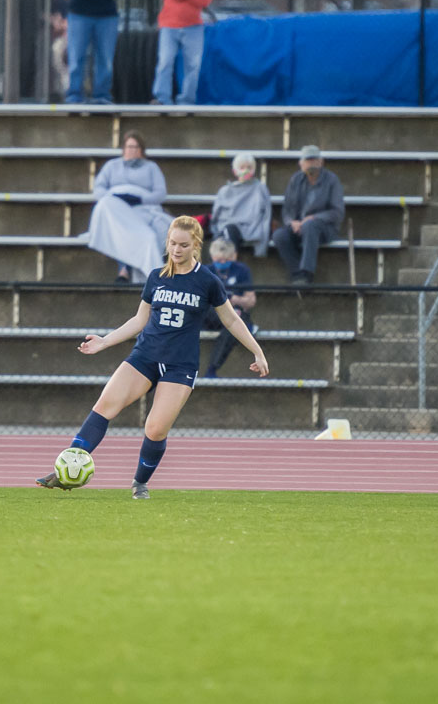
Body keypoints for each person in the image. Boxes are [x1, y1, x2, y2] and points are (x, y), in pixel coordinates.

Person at [37, 216, 269, 499]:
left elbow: (231, 321)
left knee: (156, 428)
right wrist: (105, 341)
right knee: (105, 405)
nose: (176, 249)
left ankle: (139, 483)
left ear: (196, 245)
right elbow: (139, 320)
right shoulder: (156, 277)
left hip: (180, 364)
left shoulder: (207, 281)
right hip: (145, 355)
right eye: (172, 243)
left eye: (183, 245)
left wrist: (256, 350)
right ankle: (65, 469)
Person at [86, 131, 173, 283]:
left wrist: (140, 199)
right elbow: (99, 189)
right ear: (123, 149)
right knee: (106, 208)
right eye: (129, 146)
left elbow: (160, 193)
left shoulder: (151, 167)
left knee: (147, 237)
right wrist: (116, 198)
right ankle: (124, 270)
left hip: (141, 210)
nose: (132, 150)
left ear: (141, 149)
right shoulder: (112, 166)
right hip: (117, 209)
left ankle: (141, 273)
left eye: (135, 147)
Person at [151, 0, 213, 106]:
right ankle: (162, 98)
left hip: (194, 27)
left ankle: (187, 100)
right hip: (169, 25)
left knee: (193, 66)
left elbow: (204, 1)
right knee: (165, 61)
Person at [271, 145, 345, 284]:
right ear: (301, 163)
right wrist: (291, 222)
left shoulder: (332, 180)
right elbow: (286, 210)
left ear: (321, 162)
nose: (311, 163)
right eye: (308, 160)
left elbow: (337, 212)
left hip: (324, 228)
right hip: (298, 226)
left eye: (314, 160)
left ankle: (307, 272)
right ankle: (297, 273)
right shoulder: (295, 180)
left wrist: (314, 217)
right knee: (279, 235)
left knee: (310, 226)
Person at [202, 238, 258, 379]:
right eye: (218, 259)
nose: (222, 263)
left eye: (226, 259)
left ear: (233, 256)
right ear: (213, 257)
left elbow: (251, 300)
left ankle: (212, 369)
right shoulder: (206, 271)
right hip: (212, 315)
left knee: (235, 325)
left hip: (234, 315)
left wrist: (234, 300)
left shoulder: (241, 270)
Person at [209, 152, 271, 257]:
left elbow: (266, 216)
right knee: (227, 232)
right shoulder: (225, 191)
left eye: (249, 167)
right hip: (228, 227)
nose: (246, 170)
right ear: (235, 171)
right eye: (242, 167)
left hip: (252, 228)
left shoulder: (260, 189)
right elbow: (216, 217)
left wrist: (262, 245)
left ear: (254, 170)